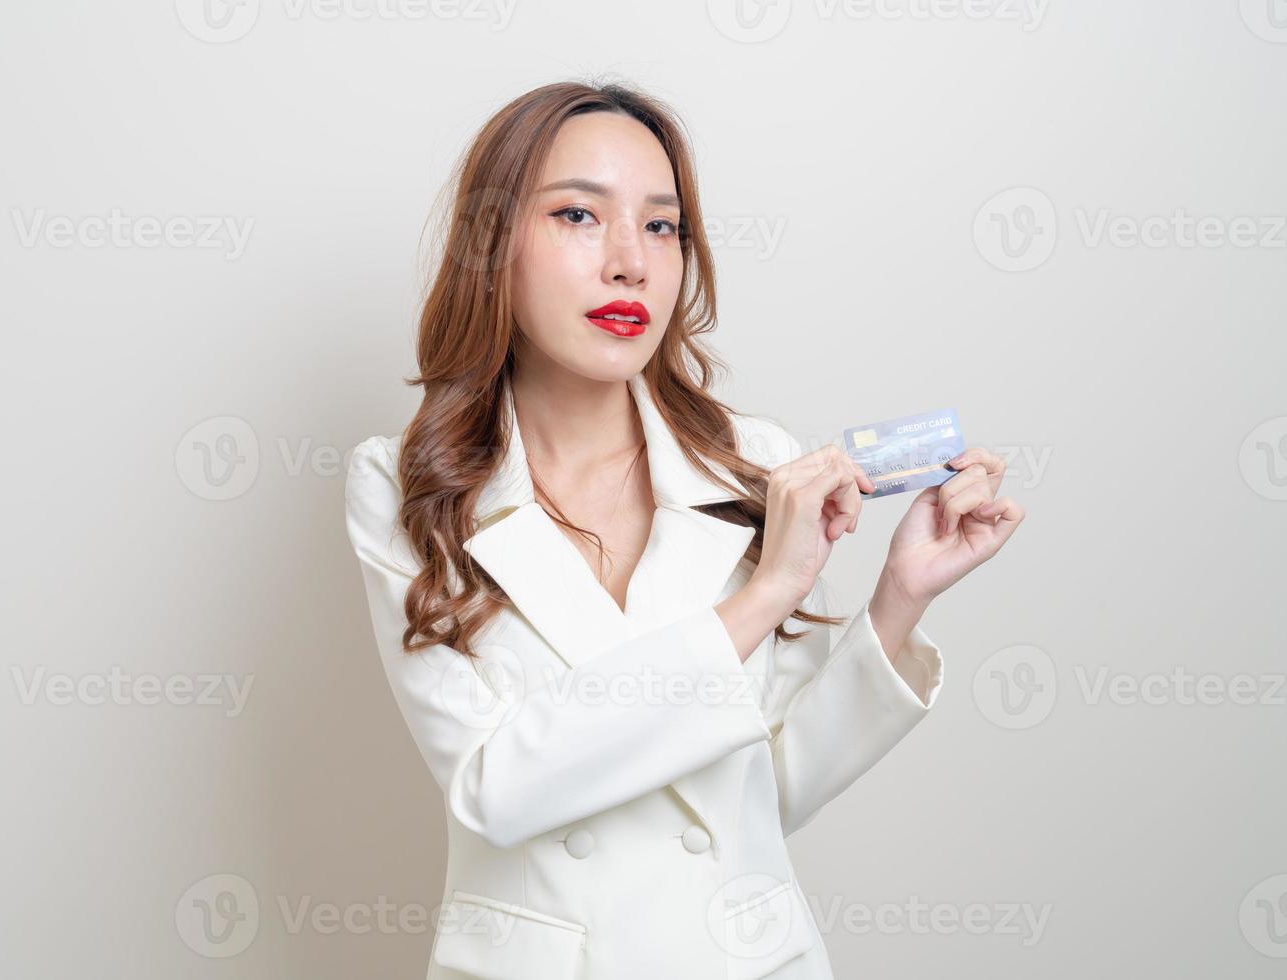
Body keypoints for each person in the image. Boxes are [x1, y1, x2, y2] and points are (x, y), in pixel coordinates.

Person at [343, 80, 1024, 980]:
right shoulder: (407, 485)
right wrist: (767, 594)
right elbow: (496, 791)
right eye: (580, 215)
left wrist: (898, 600)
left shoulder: (753, 463)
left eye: (661, 226)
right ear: (492, 245)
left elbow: (771, 789)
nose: (631, 262)